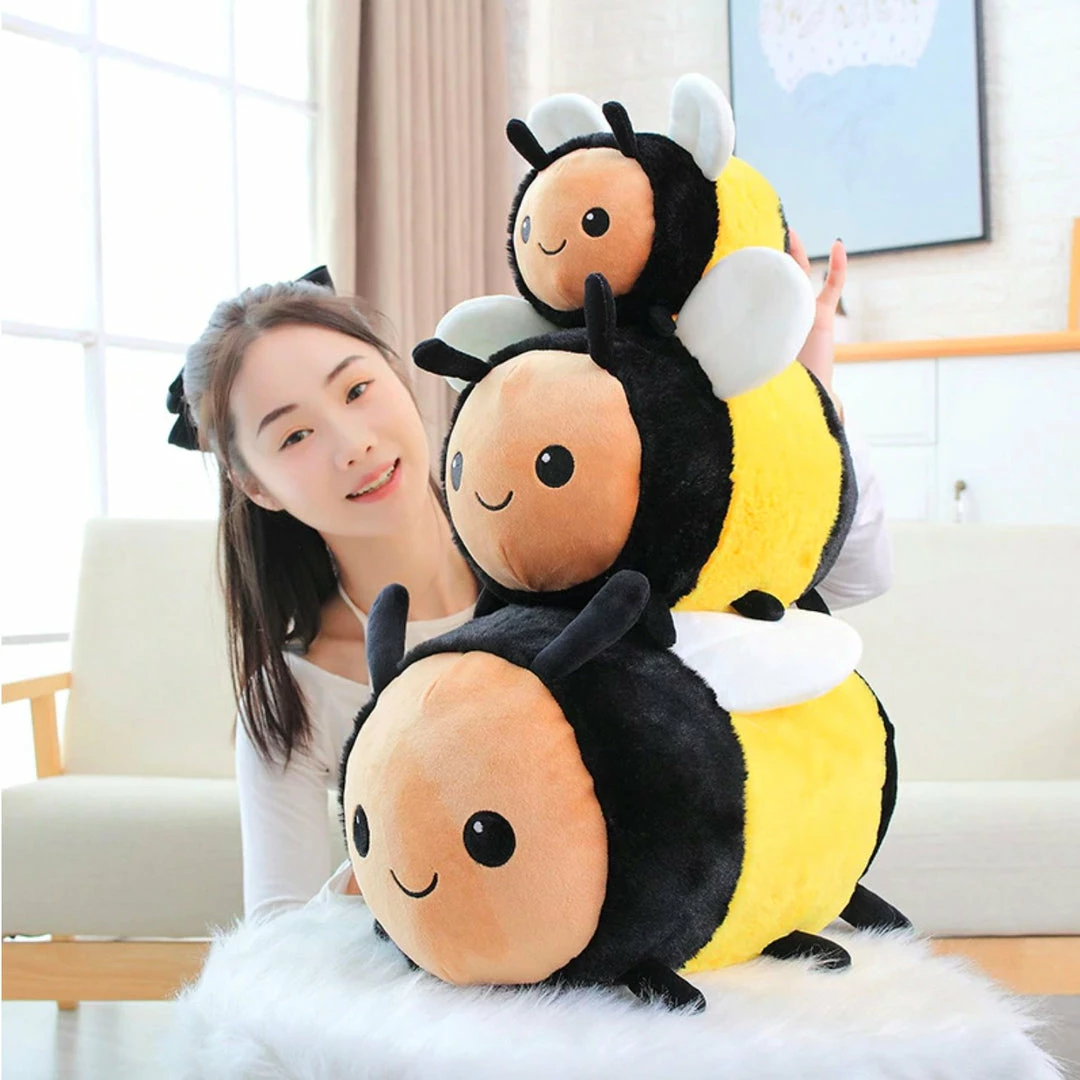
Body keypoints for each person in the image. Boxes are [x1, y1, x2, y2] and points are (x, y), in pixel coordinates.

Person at [170, 239, 888, 922]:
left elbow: (851, 578)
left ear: (397, 372)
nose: (351, 443)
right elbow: (278, 937)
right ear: (254, 485)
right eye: (294, 436)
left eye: (357, 390)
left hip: (678, 931)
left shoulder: (553, 528)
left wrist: (805, 415)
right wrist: (395, 847)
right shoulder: (295, 694)